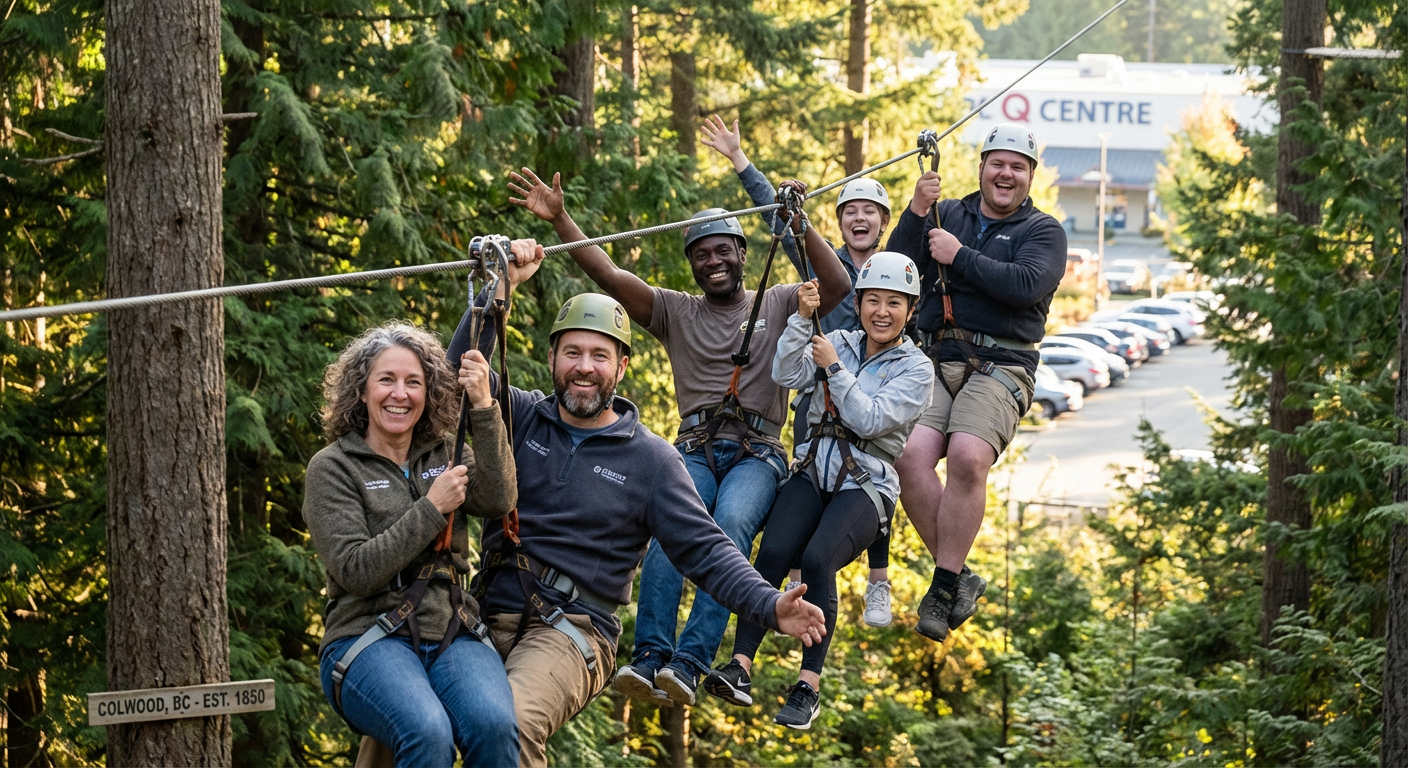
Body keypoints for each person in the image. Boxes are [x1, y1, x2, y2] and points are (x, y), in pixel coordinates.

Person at [440, 287, 828, 768]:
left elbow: (706, 549)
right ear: (551, 357)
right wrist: (496, 293)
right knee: (416, 719)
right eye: (573, 352)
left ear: (621, 367)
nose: (585, 367)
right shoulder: (520, 417)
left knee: (512, 721)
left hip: (573, 627)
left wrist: (770, 605)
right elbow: (452, 377)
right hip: (486, 611)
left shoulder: (651, 461)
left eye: (600, 355)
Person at [506, 167, 851, 707]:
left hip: (757, 452)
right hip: (692, 445)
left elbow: (838, 286)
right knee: (670, 529)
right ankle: (650, 656)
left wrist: (798, 224)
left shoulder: (780, 300)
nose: (713, 262)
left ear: (741, 251)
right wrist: (560, 219)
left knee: (730, 523)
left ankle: (690, 663)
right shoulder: (675, 311)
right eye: (701, 255)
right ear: (691, 264)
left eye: (723, 251)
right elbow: (613, 278)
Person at [703, 252, 935, 728]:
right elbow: (786, 375)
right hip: (814, 467)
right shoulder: (842, 340)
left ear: (910, 312)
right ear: (860, 302)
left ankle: (808, 686)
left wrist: (833, 370)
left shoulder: (917, 369)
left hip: (866, 484)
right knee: (774, 552)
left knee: (816, 559)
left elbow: (870, 417)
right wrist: (801, 320)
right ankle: (740, 665)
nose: (882, 312)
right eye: (873, 301)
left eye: (895, 303)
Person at [701, 114, 901, 627]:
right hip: (821, 390)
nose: (860, 220)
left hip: (872, 386)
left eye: (869, 212)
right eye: (850, 212)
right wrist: (741, 161)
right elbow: (784, 224)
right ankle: (794, 574)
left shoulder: (897, 276)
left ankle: (879, 580)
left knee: (878, 462)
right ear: (838, 222)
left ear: (882, 221)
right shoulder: (823, 264)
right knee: (814, 464)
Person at [305, 312, 522, 767]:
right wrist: (431, 508)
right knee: (426, 733)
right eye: (386, 380)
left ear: (428, 393)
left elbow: (499, 499)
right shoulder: (333, 468)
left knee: (495, 728)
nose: (400, 394)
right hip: (366, 634)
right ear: (362, 391)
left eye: (413, 382)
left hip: (450, 630)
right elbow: (356, 571)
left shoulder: (445, 450)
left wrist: (483, 406)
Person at [886, 122, 1067, 642]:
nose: (1005, 174)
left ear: (1030, 176)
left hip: (1003, 364)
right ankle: (957, 577)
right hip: (939, 356)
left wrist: (959, 257)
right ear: (982, 166)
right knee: (908, 457)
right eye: (998, 163)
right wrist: (918, 212)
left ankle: (942, 588)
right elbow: (898, 266)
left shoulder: (1043, 232)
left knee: (968, 455)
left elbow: (1027, 285)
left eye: (1017, 167)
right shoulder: (951, 212)